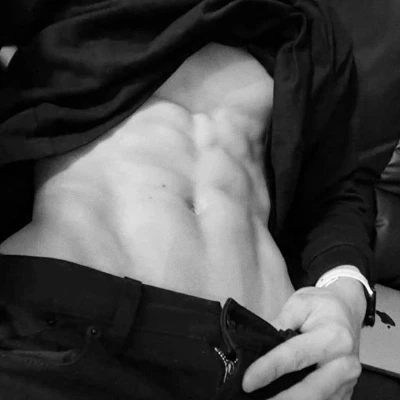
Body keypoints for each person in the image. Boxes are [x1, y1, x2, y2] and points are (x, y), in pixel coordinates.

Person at [0, 0, 375, 399]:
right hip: (61, 326)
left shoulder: (310, 29)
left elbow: (338, 190)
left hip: (259, 354)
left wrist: (345, 299)